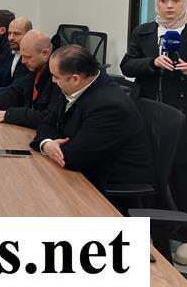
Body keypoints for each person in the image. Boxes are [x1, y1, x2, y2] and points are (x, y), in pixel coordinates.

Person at [120, 0, 187, 266]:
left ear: (185, 3)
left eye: (175, 0)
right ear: (157, 3)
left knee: (185, 179)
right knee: (150, 176)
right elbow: (127, 66)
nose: (169, 6)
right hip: (149, 116)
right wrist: (151, 62)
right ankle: (157, 231)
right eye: (163, 0)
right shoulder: (144, 31)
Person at [31, 45, 154, 195]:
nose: (53, 81)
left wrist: (51, 145)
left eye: (56, 77)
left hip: (108, 186)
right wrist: (46, 144)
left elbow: (74, 158)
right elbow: (47, 122)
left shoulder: (110, 106)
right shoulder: (76, 87)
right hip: (82, 171)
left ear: (75, 79)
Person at [0, 30, 64, 129]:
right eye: (22, 56)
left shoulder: (58, 76)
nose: (23, 61)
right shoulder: (37, 68)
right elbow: (17, 91)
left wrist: (9, 114)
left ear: (45, 53)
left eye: (27, 57)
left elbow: (47, 117)